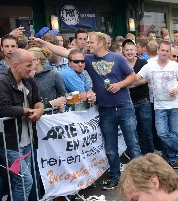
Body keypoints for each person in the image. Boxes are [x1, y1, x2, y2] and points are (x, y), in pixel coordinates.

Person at [35, 32, 141, 190]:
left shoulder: (117, 58)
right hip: (105, 110)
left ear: (101, 43)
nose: (88, 44)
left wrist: (119, 85)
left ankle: (141, 177)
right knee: (111, 148)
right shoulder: (87, 59)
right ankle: (115, 179)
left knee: (132, 145)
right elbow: (63, 52)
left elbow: (133, 76)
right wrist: (42, 43)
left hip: (125, 106)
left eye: (91, 42)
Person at [0, 49, 44, 201]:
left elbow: (38, 100)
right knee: (24, 180)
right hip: (9, 143)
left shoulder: (28, 80)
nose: (32, 68)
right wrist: (28, 111)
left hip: (26, 140)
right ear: (15, 65)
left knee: (21, 181)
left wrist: (39, 110)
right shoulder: (1, 82)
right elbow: (4, 109)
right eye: (29, 65)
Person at [136, 40, 178, 169]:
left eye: (167, 51)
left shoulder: (174, 65)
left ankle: (172, 159)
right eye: (162, 50)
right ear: (158, 51)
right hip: (159, 105)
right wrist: (123, 84)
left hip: (175, 104)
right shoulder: (150, 65)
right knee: (162, 133)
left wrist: (177, 89)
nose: (164, 53)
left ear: (169, 52)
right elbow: (138, 78)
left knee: (174, 133)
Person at [123, 39, 155, 155]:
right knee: (133, 130)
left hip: (143, 101)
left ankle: (149, 154)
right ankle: (138, 156)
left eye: (131, 49)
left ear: (136, 50)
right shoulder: (122, 63)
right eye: (127, 50)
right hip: (129, 103)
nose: (129, 52)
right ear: (123, 51)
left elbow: (146, 78)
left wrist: (130, 84)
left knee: (146, 129)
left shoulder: (143, 63)